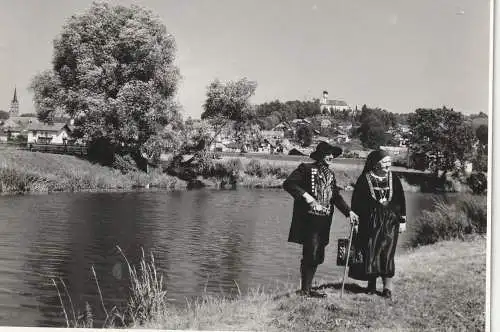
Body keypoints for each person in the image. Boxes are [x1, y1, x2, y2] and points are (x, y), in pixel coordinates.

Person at [283, 141, 359, 298]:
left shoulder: (330, 174)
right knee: (310, 253)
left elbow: (335, 197)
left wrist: (349, 212)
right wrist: (307, 197)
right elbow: (289, 184)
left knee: (318, 255)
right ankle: (305, 290)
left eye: (333, 155)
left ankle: (307, 289)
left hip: (324, 222)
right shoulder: (306, 168)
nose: (331, 157)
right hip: (308, 221)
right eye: (328, 154)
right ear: (320, 155)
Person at [348, 149, 407, 299]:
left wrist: (403, 221)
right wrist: (355, 220)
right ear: (375, 164)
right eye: (385, 163)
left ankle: (387, 288)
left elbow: (401, 201)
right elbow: (356, 202)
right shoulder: (364, 179)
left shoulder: (394, 178)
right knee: (371, 252)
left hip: (390, 222)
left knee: (387, 253)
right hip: (370, 222)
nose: (388, 166)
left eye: (389, 163)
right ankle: (371, 286)